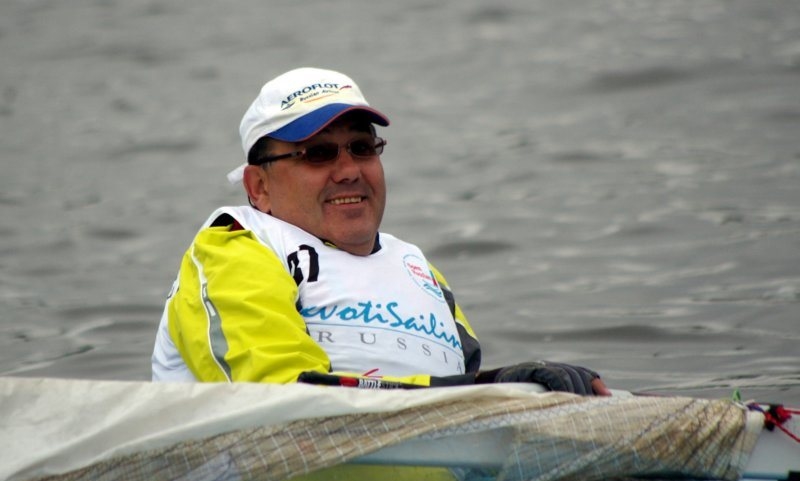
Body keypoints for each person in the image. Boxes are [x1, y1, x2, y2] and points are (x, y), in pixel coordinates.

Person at [151, 66, 610, 397]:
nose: (349, 170)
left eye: (361, 147)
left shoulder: (419, 269)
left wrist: (532, 385)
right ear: (259, 187)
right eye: (318, 154)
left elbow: (466, 387)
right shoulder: (235, 246)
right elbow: (283, 399)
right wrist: (496, 387)